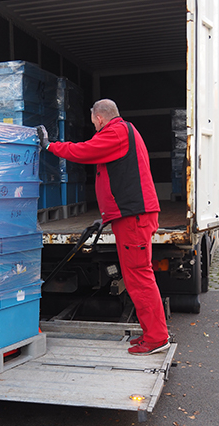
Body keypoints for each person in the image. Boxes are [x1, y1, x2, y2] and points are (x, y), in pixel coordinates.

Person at [37, 99, 169, 356]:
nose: (94, 126)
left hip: (133, 218)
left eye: (93, 121)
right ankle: (152, 333)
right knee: (135, 277)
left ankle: (157, 338)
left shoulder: (116, 133)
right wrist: (107, 216)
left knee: (139, 277)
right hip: (128, 216)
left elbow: (84, 151)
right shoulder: (124, 131)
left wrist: (50, 146)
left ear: (98, 118)